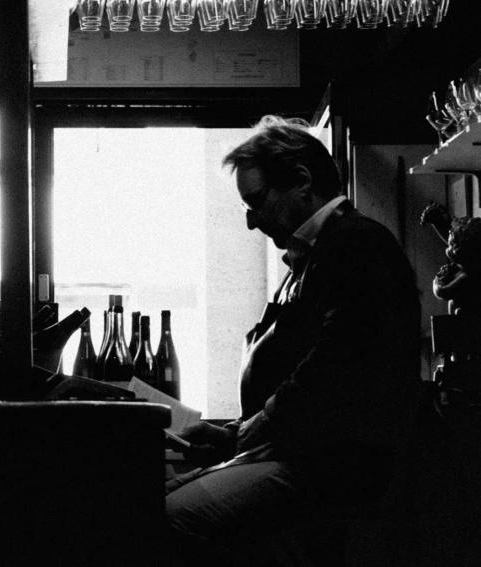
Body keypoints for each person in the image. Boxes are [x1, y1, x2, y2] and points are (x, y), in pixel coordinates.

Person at [166, 115, 423, 566]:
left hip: (333, 467)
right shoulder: (319, 255)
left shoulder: (356, 244)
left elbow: (333, 370)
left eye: (256, 201)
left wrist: (243, 433)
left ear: (301, 181)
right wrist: (231, 436)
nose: (250, 223)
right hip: (306, 456)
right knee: (152, 498)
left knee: (168, 517)